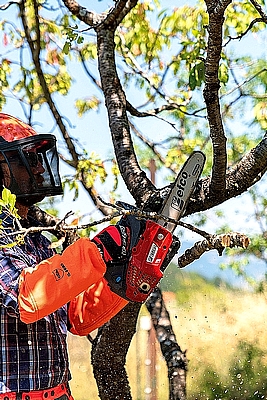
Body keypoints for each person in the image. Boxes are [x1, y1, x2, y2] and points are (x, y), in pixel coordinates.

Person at [0, 113, 156, 399]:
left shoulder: (32, 238)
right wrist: (101, 247)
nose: (38, 169)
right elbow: (28, 297)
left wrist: (123, 275)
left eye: (38, 158)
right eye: (29, 160)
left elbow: (75, 315)